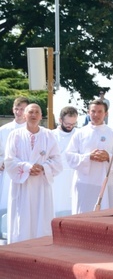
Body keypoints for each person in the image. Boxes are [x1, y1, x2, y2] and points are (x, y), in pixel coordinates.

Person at [4, 103, 63, 243]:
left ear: (41, 116)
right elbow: (9, 160)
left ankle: (41, 248)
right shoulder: (15, 135)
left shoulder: (48, 135)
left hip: (41, 185)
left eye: (37, 112)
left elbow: (57, 161)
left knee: (41, 218)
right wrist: (27, 167)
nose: (33, 115)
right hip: (22, 186)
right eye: (30, 112)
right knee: (22, 219)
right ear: (25, 115)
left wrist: (43, 167)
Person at [65, 99, 113, 213]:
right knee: (84, 214)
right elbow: (69, 156)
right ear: (88, 112)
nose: (96, 115)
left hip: (106, 182)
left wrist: (108, 156)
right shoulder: (79, 133)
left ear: (106, 113)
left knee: (106, 213)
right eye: (93, 111)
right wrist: (88, 157)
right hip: (84, 182)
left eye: (100, 111)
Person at [0, 96, 28, 217]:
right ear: (13, 109)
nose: (19, 112)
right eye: (17, 108)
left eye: (22, 109)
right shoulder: (3, 130)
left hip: (26, 172)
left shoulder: (32, 130)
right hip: (7, 173)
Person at [52, 106, 79, 216]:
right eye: (68, 123)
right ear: (60, 120)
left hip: (73, 175)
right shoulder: (50, 135)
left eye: (73, 124)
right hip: (56, 177)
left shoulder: (78, 134)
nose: (70, 126)